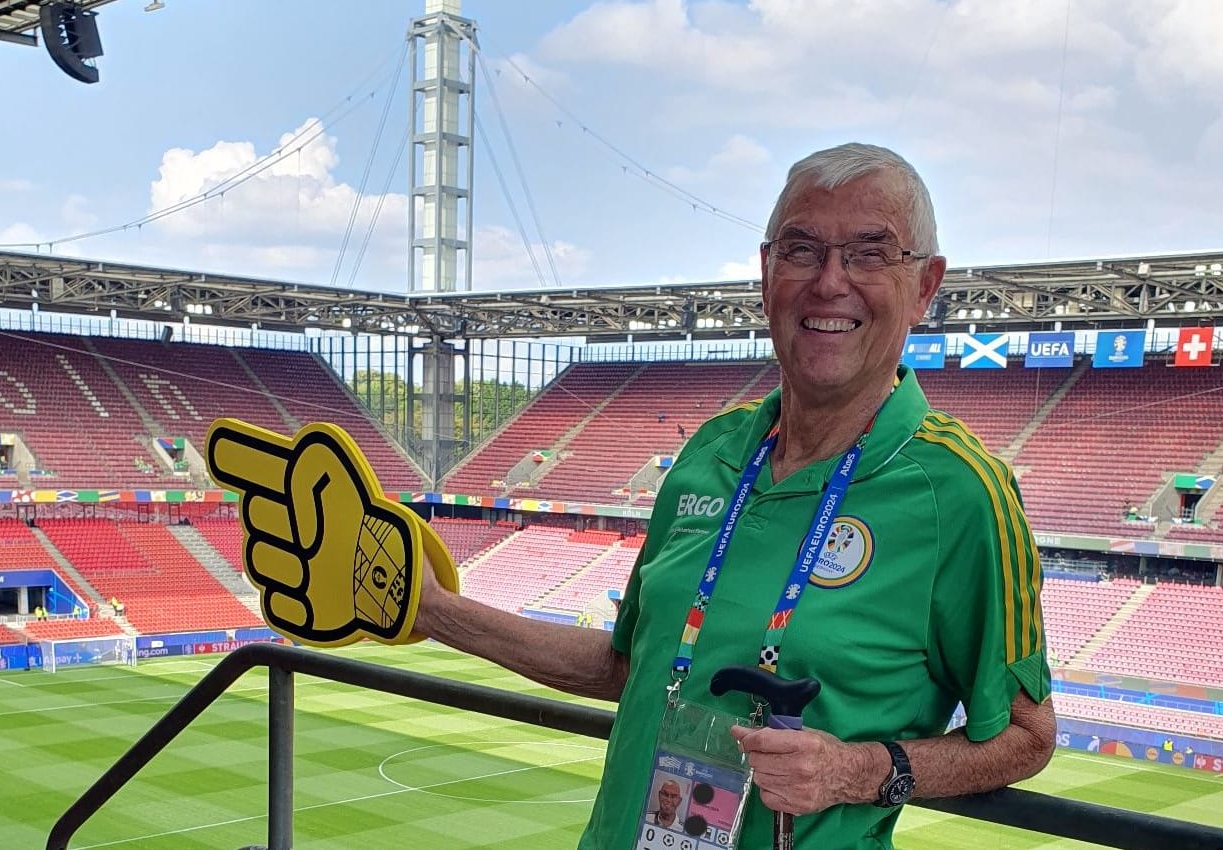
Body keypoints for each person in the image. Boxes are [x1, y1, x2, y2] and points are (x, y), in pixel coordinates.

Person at [415, 144, 1055, 850]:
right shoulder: (710, 452)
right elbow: (629, 668)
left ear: (926, 285)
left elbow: (1026, 736)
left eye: (870, 254)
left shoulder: (961, 491)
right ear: (766, 272)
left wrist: (858, 770)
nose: (829, 282)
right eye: (801, 249)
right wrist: (437, 612)